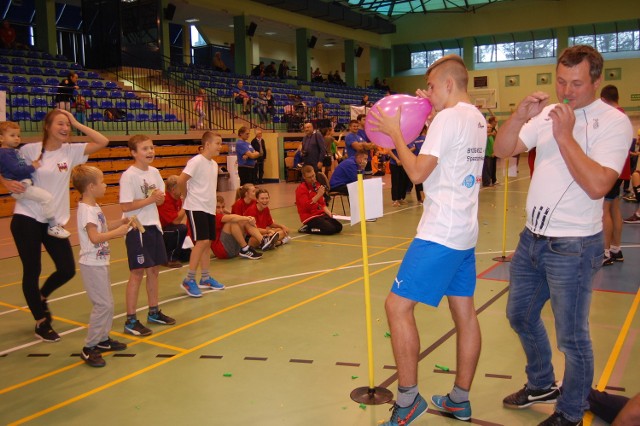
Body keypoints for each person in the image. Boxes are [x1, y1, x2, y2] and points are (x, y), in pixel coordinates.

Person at [493, 45, 631, 426]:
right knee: (519, 315)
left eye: (576, 83)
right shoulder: (549, 114)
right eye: (559, 81)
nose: (566, 91)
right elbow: (503, 149)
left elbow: (599, 186)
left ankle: (570, 413)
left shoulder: (614, 122)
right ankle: (540, 383)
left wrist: (565, 133)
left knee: (572, 338)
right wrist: (519, 116)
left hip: (573, 247)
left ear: (597, 82)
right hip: (532, 239)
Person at [368, 54, 486, 426]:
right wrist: (428, 107)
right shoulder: (477, 117)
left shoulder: (449, 118)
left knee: (397, 307)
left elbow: (417, 173)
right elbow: (447, 154)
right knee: (464, 314)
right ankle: (459, 400)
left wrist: (398, 133)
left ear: (449, 84)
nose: (427, 92)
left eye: (432, 86)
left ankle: (407, 402)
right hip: (465, 233)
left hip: (440, 233)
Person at [0, 109, 109, 342]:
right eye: (60, 123)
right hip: (27, 216)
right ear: (47, 126)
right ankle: (41, 321)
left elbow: (103, 141)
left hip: (54, 222)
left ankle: (40, 296)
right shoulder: (28, 150)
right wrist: (4, 180)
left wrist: (76, 121)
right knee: (32, 270)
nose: (65, 128)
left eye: (67, 124)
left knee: (67, 269)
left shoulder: (71, 152)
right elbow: (4, 162)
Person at [71, 165, 130, 367]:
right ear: (90, 186)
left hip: (100, 261)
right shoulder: (87, 210)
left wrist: (121, 222)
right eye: (102, 182)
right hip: (91, 263)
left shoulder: (94, 207)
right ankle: (89, 347)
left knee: (108, 303)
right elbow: (95, 237)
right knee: (102, 305)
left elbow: (102, 228)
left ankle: (103, 340)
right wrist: (118, 232)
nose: (105, 185)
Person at [119, 134, 176, 336]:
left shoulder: (154, 172)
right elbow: (126, 205)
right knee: (137, 273)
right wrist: (150, 199)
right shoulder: (129, 176)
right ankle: (130, 320)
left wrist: (157, 199)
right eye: (144, 149)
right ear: (134, 153)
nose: (150, 152)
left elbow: (159, 200)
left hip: (153, 226)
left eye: (151, 148)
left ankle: (153, 312)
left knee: (154, 271)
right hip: (137, 229)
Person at [0, 121, 70, 238]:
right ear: (1, 138)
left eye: (18, 135)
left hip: (24, 183)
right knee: (47, 198)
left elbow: (21, 165)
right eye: (12, 136)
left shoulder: (15, 151)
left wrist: (30, 165)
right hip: (20, 187)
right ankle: (53, 226)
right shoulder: (4, 153)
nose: (17, 138)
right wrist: (32, 167)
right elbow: (17, 170)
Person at [178, 132, 226, 298]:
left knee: (207, 242)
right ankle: (189, 279)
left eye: (221, 143)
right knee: (202, 241)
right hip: (196, 206)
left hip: (209, 207)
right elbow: (180, 180)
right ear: (206, 144)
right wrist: (186, 196)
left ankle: (205, 278)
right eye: (217, 143)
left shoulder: (213, 164)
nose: (220, 146)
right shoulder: (196, 161)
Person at [600, 84, 628, 265]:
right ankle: (616, 249)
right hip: (622, 170)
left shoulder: (612, 118)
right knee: (615, 208)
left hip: (612, 171)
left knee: (604, 211)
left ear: (603, 100)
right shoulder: (623, 115)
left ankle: (605, 252)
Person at [211, 195, 267, 260]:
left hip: (235, 249)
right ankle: (245, 249)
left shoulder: (221, 214)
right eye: (218, 207)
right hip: (223, 251)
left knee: (244, 221)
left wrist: (247, 219)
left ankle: (263, 241)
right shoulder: (213, 216)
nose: (221, 210)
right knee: (232, 222)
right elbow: (231, 218)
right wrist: (247, 218)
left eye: (223, 207)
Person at [295, 165, 343, 235]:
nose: (312, 179)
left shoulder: (317, 185)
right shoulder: (301, 189)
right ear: (304, 177)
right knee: (329, 230)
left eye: (313, 175)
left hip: (320, 214)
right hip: (309, 217)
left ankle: (316, 225)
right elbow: (306, 207)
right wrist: (318, 195)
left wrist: (329, 213)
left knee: (338, 227)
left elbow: (322, 204)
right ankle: (308, 228)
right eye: (309, 177)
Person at [158, 175, 191, 268]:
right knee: (180, 229)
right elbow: (175, 221)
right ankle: (170, 258)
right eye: (181, 186)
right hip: (160, 233)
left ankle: (175, 253)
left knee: (188, 255)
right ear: (173, 189)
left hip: (169, 231)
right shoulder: (165, 200)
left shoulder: (177, 200)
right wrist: (186, 204)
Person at [388, 139, 415, 207]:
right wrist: (397, 159)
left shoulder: (406, 140)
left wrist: (404, 156)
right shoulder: (393, 140)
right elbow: (389, 151)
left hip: (403, 164)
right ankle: (395, 200)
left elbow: (411, 149)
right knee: (395, 182)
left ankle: (400, 198)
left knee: (403, 181)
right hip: (394, 164)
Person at [482, 116, 498, 187]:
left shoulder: (491, 136)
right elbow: (485, 136)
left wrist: (494, 152)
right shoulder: (484, 135)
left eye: (490, 128)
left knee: (491, 169)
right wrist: (491, 134)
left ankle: (491, 181)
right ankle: (486, 182)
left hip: (492, 155)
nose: (489, 129)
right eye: (487, 127)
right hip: (486, 155)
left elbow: (494, 144)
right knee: (486, 169)